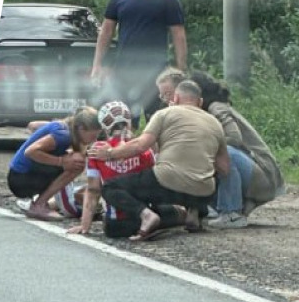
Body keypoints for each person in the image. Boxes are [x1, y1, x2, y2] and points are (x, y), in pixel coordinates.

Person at [90, 80, 228, 240]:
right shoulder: (215, 123)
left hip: (167, 184)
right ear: (201, 102)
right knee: (210, 177)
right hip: (202, 192)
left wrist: (110, 153)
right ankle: (195, 213)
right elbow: (224, 168)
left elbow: (140, 146)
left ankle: (146, 215)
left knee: (110, 187)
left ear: (175, 98)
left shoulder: (164, 114)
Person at [91, 0, 187, 127]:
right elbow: (106, 31)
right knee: (123, 124)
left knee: (160, 124)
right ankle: (126, 154)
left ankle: (159, 156)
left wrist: (180, 71)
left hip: (156, 73)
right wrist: (97, 65)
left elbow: (178, 33)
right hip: (125, 72)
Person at [70, 100, 186, 238]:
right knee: (180, 212)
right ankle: (158, 221)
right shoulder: (144, 150)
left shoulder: (97, 151)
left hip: (116, 226)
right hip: (144, 213)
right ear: (129, 122)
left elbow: (93, 191)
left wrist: (85, 226)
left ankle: (150, 221)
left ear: (104, 126)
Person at [188, 70, 286, 229]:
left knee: (222, 151)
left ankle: (231, 212)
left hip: (265, 175)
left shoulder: (216, 108)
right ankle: (217, 207)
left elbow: (234, 138)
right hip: (254, 171)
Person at [6, 108, 102, 221]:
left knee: (73, 158)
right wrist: (61, 161)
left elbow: (33, 125)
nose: (94, 140)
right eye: (92, 136)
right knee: (77, 162)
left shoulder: (64, 127)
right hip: (20, 180)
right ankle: (38, 205)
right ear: (81, 128)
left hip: (19, 176)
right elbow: (30, 151)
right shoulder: (64, 135)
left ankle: (42, 202)